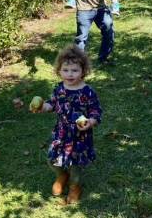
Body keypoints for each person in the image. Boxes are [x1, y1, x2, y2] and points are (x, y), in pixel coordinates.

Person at [30, 44, 102, 204]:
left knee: (75, 165)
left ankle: (75, 186)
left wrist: (90, 122)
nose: (70, 74)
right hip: (62, 133)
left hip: (80, 135)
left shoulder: (88, 92)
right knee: (52, 159)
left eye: (75, 70)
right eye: (66, 70)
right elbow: (53, 104)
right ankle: (61, 175)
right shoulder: (59, 89)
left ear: (83, 71)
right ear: (59, 71)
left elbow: (96, 111)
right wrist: (43, 106)